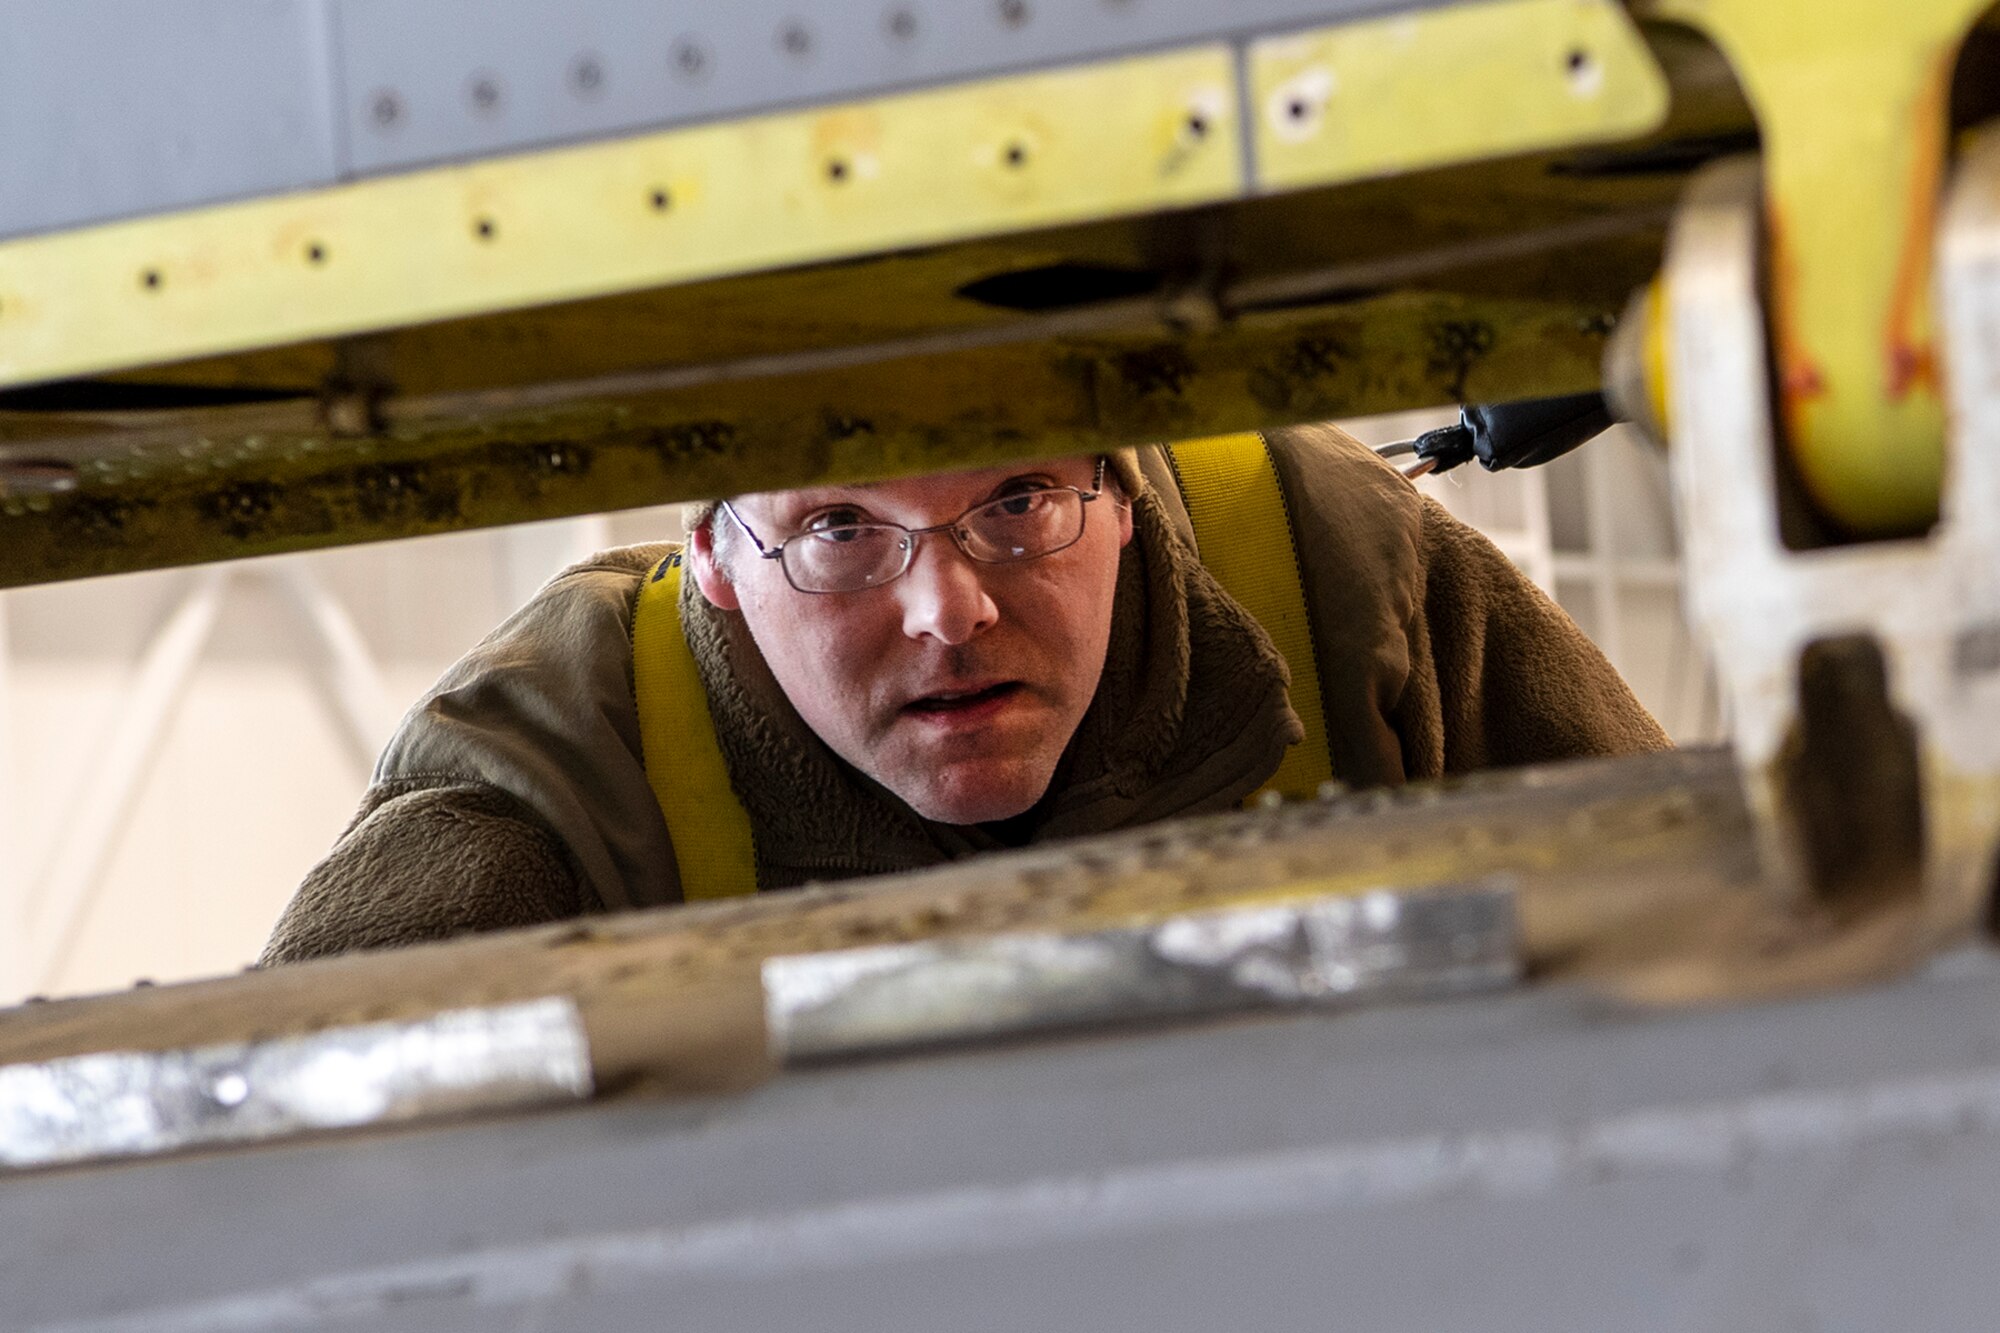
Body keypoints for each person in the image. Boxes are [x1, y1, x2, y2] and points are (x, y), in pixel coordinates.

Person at [261, 422, 1668, 964]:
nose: (950, 610)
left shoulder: (1344, 572)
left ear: (1121, 493)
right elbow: (269, 1196)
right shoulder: (559, 769)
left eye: (1018, 498)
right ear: (716, 563)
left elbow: (1702, 940)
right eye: (838, 530)